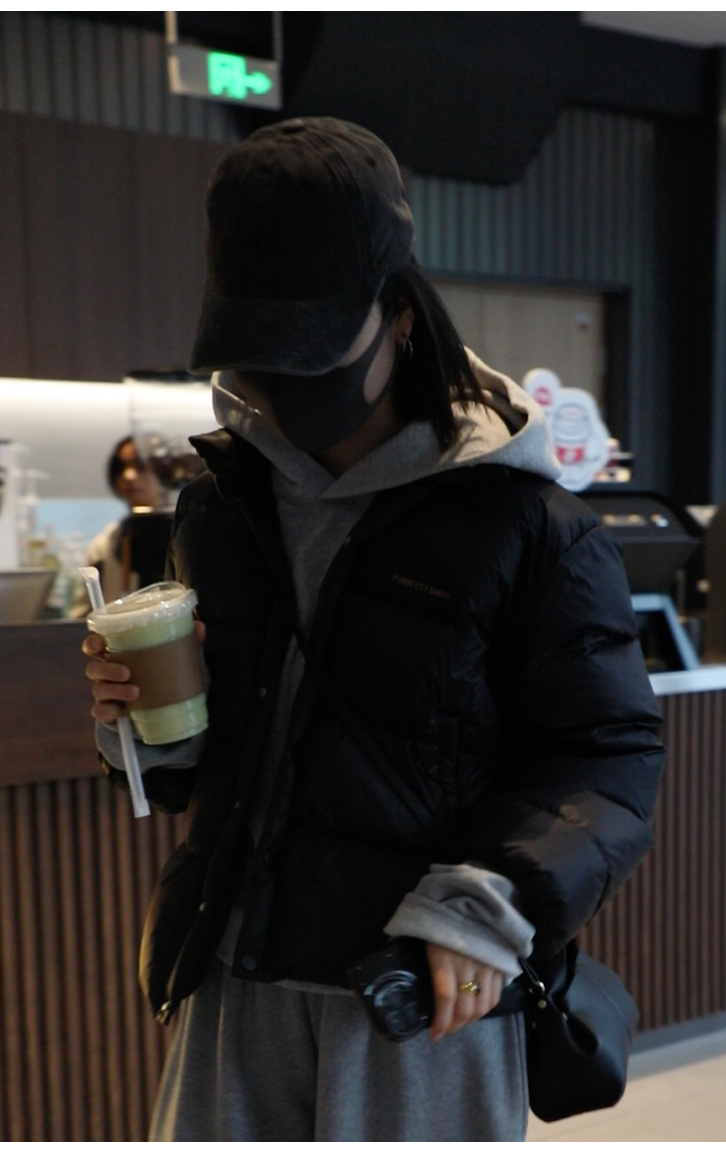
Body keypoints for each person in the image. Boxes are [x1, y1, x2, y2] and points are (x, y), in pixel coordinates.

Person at [82, 117, 664, 1142]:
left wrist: (489, 906)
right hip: (235, 981)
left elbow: (605, 756)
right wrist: (141, 726)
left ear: (399, 315)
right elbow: (204, 769)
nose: (283, 384)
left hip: (415, 1004)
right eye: (257, 350)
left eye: (310, 347)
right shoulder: (220, 506)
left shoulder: (525, 524)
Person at [72, 436, 166, 614]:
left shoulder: (183, 537)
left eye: (141, 466)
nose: (128, 476)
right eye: (121, 467)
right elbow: (84, 612)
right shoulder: (105, 544)